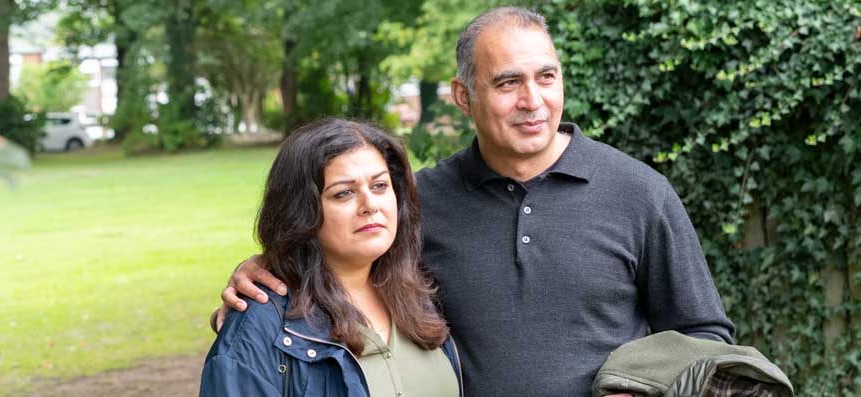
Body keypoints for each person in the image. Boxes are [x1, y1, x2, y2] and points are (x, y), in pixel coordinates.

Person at [213, 6, 735, 396]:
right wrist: (270, 270)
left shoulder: (638, 192)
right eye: (508, 82)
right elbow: (345, 258)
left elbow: (704, 334)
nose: (533, 101)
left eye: (546, 77)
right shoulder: (417, 201)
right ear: (464, 97)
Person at [200, 119, 461, 396]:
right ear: (301, 211)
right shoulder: (261, 326)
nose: (370, 205)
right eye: (344, 193)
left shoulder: (422, 293)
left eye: (380, 186)